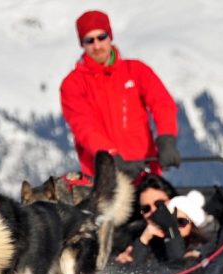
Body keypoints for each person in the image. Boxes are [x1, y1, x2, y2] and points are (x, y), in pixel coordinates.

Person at [59, 10, 180, 179]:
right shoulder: (73, 84)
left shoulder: (136, 71)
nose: (97, 45)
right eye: (89, 40)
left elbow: (162, 103)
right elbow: (83, 127)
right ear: (82, 44)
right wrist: (110, 156)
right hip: (102, 178)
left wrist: (166, 137)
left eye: (101, 37)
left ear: (110, 36)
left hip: (145, 170)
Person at [115, 175, 215, 266]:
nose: (154, 212)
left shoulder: (200, 244)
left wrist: (171, 229)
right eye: (146, 209)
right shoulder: (134, 236)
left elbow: (177, 268)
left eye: (160, 204)